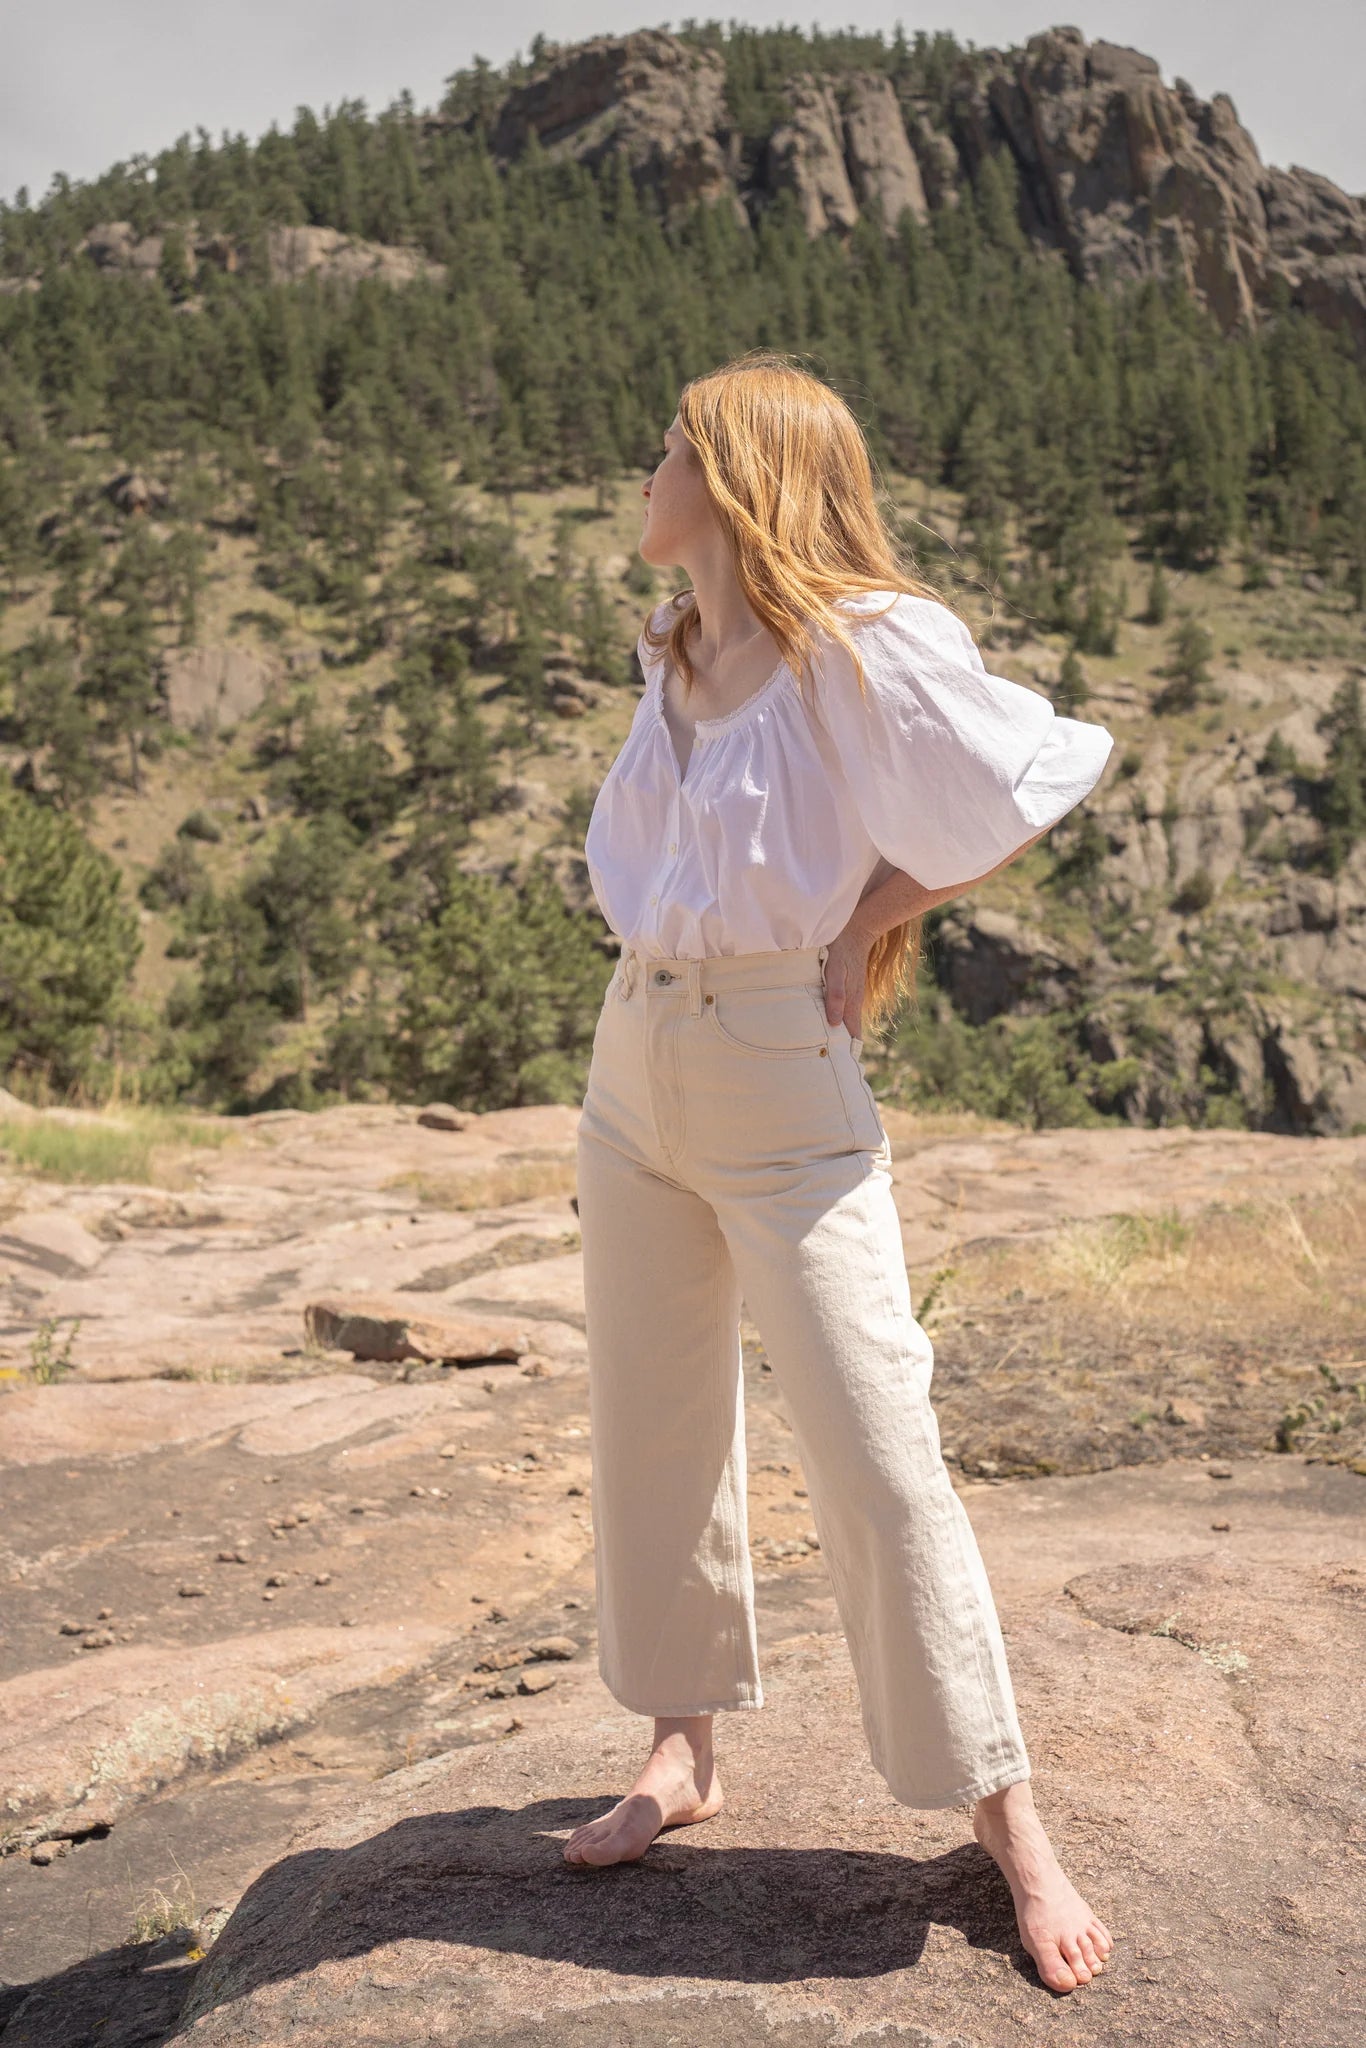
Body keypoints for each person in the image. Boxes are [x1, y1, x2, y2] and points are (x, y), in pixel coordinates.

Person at [566, 350, 1116, 1996]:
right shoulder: (679, 646)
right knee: (654, 1416)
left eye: (669, 446)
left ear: (733, 479)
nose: (646, 466)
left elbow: (1030, 778)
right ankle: (685, 1748)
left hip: (773, 1073)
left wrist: (871, 916)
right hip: (633, 1060)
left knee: (876, 1444)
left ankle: (1003, 1815)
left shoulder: (863, 642)